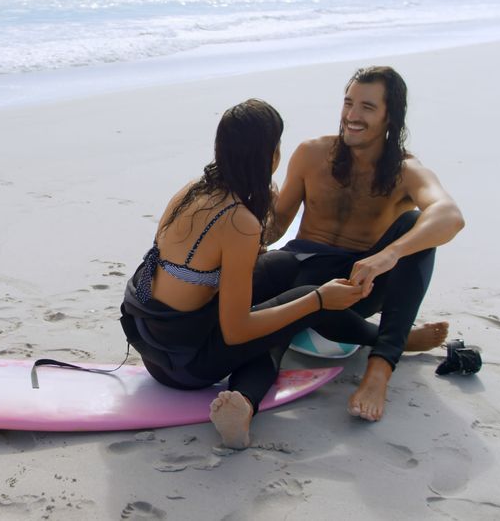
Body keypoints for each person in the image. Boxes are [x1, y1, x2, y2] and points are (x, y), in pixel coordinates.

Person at [120, 99, 387, 449]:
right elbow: (237, 331)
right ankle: (246, 404)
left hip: (152, 341)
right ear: (270, 154)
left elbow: (201, 272)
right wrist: (319, 300)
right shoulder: (238, 222)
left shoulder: (192, 191)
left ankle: (358, 336)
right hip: (184, 367)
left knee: (282, 265)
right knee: (296, 305)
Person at [264, 66, 465, 422]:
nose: (352, 116)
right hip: (301, 271)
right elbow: (276, 228)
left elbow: (450, 215)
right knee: (272, 281)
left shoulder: (406, 170)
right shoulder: (311, 154)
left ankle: (380, 369)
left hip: (356, 285)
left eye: (367, 107)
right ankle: (397, 338)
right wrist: (252, 216)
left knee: (415, 225)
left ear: (391, 115)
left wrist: (388, 255)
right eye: (348, 103)